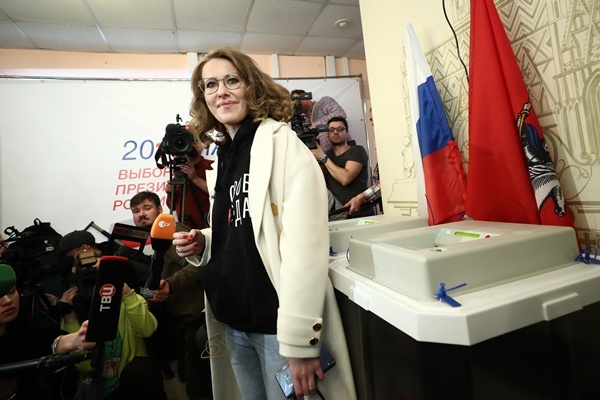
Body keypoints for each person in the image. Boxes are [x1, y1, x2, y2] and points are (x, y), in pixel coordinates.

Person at [173, 47, 356, 400]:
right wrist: (205, 241)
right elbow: (241, 228)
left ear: (252, 86)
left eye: (232, 80)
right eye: (210, 85)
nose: (221, 91)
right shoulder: (224, 156)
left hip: (276, 328)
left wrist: (299, 342)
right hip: (233, 325)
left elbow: (305, 246)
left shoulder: (282, 145)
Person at [55, 231, 164, 400]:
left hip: (135, 381)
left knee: (141, 372)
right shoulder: (72, 305)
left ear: (86, 248)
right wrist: (69, 318)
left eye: (71, 258)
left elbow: (147, 330)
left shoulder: (124, 292)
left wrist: (125, 292)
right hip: (100, 391)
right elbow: (84, 366)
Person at [128, 191, 212, 400]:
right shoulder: (158, 235)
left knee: (197, 385)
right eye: (136, 211)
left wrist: (171, 285)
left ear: (159, 209)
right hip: (182, 316)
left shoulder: (171, 231)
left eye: (147, 208)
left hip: (196, 316)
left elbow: (200, 265)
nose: (141, 214)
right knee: (186, 375)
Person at [0, 263, 94, 400]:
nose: (8, 301)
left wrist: (73, 340)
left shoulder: (19, 332)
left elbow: (40, 344)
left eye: (11, 291)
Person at [311, 116, 372, 220]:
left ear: (347, 132)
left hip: (360, 214)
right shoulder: (327, 155)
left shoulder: (357, 151)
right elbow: (318, 180)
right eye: (331, 130)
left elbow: (345, 178)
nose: (335, 132)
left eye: (340, 129)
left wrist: (323, 158)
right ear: (327, 134)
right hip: (337, 215)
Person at [165, 143, 214, 230]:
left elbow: (217, 193)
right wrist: (170, 192)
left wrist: (195, 178)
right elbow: (171, 206)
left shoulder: (211, 166)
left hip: (208, 228)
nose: (192, 146)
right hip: (184, 229)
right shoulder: (179, 170)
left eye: (196, 142)